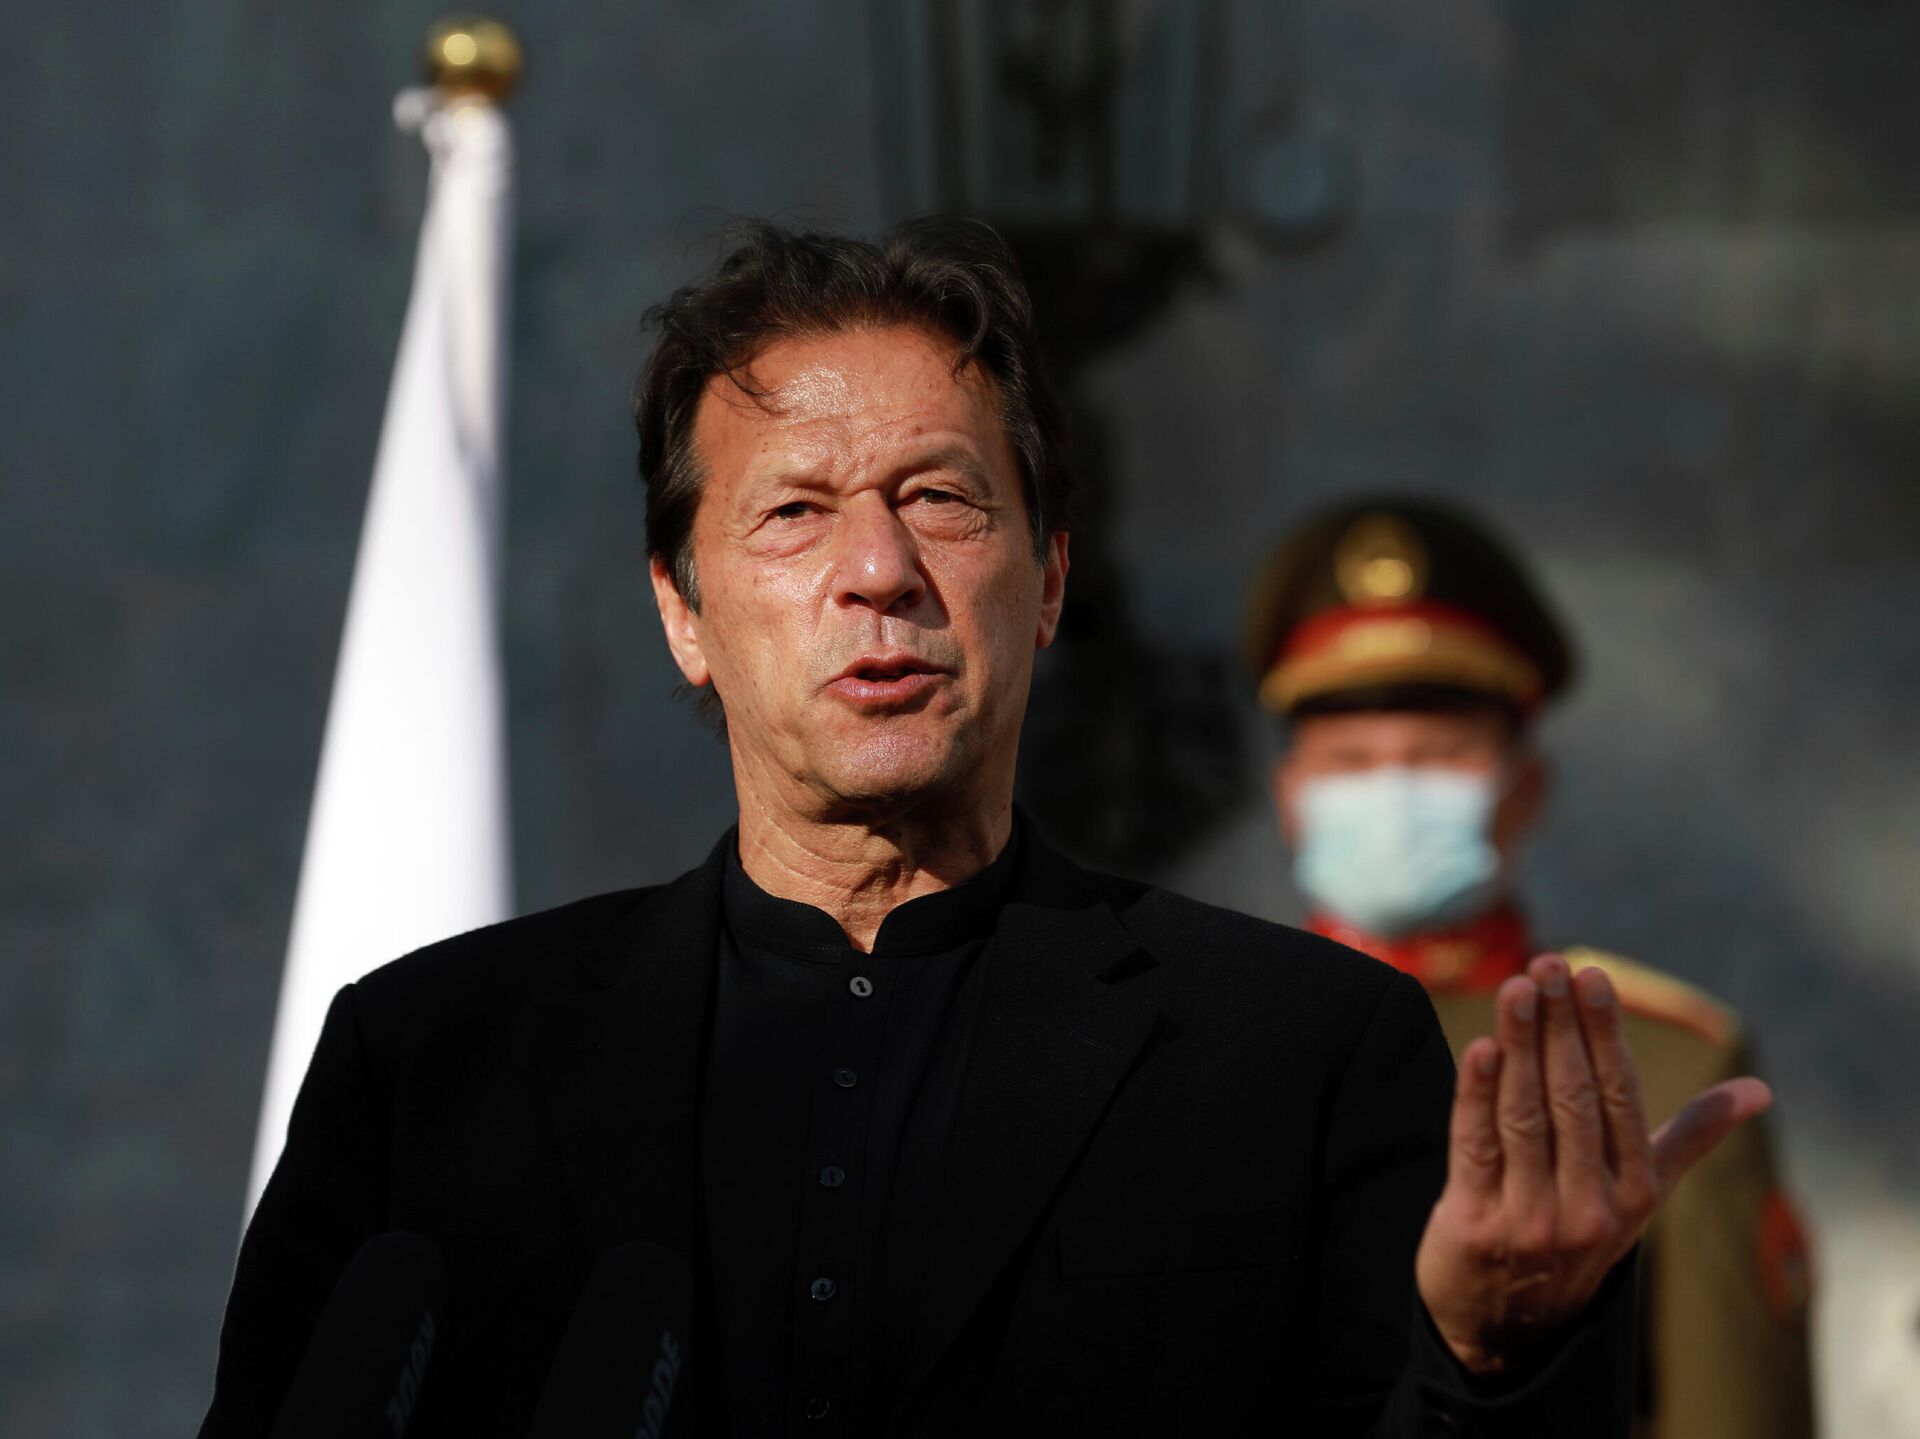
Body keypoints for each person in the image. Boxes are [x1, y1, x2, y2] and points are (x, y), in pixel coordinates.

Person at [200, 220, 1771, 1436]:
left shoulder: (1299, 1053)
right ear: (683, 608)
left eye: (942, 499)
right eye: (794, 510)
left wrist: (1500, 1356)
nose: (880, 570)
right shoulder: (436, 1060)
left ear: (1051, 578)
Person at [1245, 497, 1816, 1439]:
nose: (1392, 793)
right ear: (1290, 796)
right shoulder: (1201, 1039)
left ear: (1527, 787)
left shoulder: (1668, 1067)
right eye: (1350, 761)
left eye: (1438, 757)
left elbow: (1734, 1414)